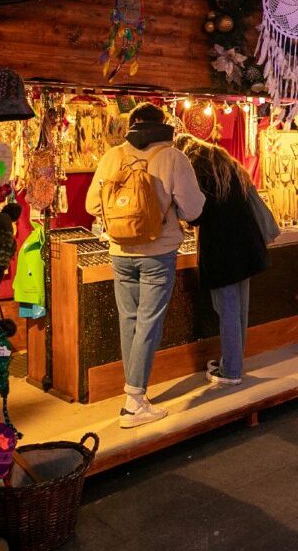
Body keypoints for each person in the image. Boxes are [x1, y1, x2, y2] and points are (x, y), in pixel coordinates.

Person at [86, 104, 205, 428]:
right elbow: (194, 210)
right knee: (149, 322)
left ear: (132, 124)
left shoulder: (113, 156)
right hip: (157, 251)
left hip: (120, 251)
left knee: (130, 320)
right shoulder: (172, 157)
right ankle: (134, 401)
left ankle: (133, 393)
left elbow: (91, 204)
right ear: (163, 125)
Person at [174, 134, 277, 387]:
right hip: (246, 246)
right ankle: (232, 361)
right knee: (239, 308)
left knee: (227, 309)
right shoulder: (228, 165)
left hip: (222, 249)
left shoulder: (196, 171)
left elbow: (196, 215)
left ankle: (231, 370)